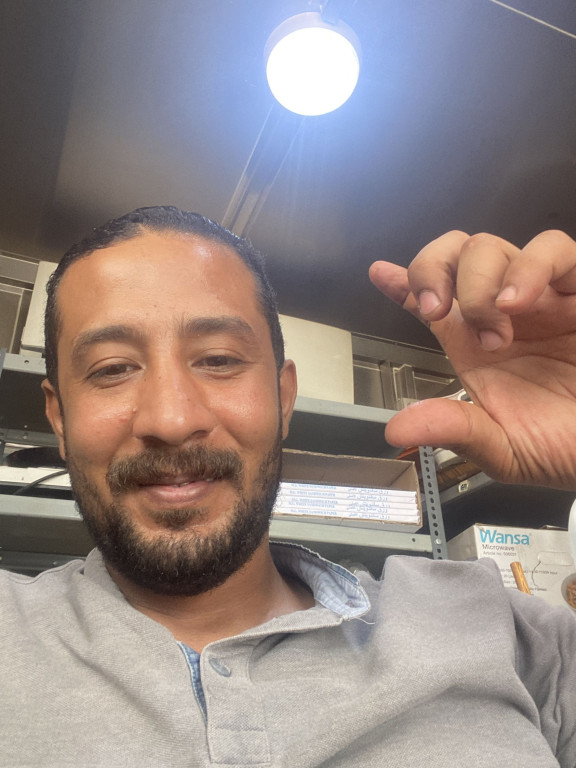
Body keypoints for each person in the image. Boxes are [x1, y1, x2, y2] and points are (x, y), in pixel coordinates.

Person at [1, 207, 575, 767]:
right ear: (59, 417)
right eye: (111, 369)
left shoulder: (491, 624)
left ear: (284, 398)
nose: (171, 419)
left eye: (218, 359)